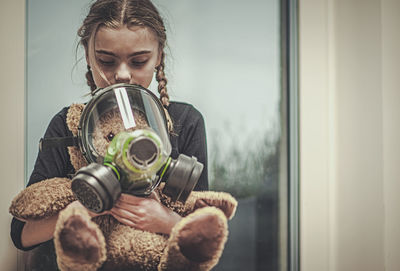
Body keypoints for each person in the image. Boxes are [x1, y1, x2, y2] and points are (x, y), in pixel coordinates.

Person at [10, 0, 208, 268]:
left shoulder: (186, 122)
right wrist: (87, 206)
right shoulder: (67, 124)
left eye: (139, 61)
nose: (122, 74)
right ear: (88, 55)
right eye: (106, 61)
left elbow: (206, 237)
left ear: (159, 55)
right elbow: (22, 234)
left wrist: (163, 219)